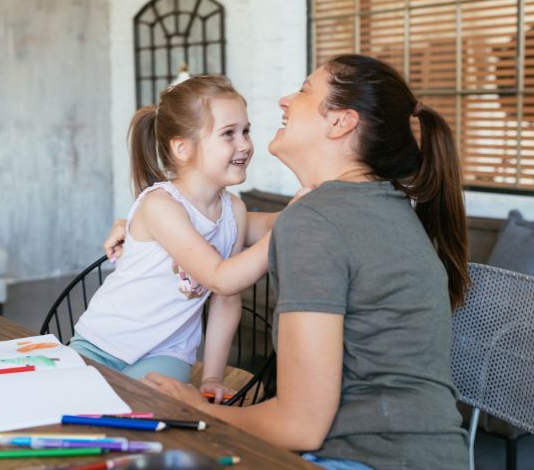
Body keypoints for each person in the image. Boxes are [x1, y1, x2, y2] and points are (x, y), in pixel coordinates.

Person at [107, 55, 470, 470]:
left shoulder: (317, 220)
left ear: (340, 122)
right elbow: (222, 224)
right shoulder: (382, 204)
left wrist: (194, 406)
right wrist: (139, 226)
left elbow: (300, 427)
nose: (284, 99)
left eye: (302, 90)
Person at [72, 75, 273, 400]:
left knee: (148, 411)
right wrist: (274, 242)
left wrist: (211, 376)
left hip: (169, 352)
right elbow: (221, 280)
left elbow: (227, 299)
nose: (245, 144)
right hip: (103, 340)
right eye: (228, 134)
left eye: (246, 131)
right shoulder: (160, 205)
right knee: (77, 410)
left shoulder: (234, 211)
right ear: (182, 148)